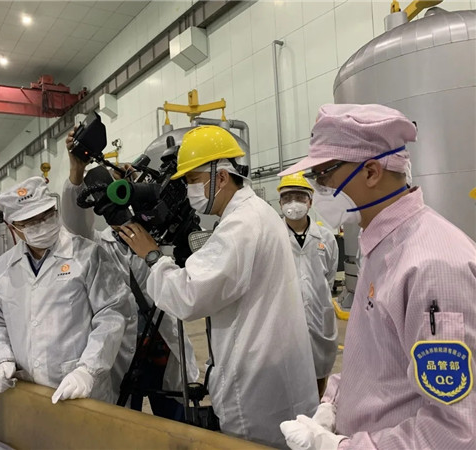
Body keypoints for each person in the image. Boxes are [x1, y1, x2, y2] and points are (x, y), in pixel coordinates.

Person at [279, 104, 476, 449]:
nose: (318, 188)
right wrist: (334, 402)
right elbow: (377, 359)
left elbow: (455, 431)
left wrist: (340, 447)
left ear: (371, 172)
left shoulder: (430, 267)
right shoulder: (380, 244)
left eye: (324, 175)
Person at [120, 125, 318, 447]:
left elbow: (189, 296)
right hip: (273, 377)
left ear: (222, 177)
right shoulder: (254, 213)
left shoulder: (241, 225)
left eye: (193, 180)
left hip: (256, 393)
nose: (189, 191)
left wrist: (153, 257)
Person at [61, 130, 199, 421]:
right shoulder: (97, 244)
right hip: (123, 352)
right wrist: (77, 170)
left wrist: (139, 188)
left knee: (176, 420)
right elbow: (74, 224)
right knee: (125, 421)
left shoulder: (160, 235)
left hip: (162, 347)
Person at [0, 176, 137, 405]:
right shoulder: (3, 268)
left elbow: (112, 315)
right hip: (27, 386)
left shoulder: (88, 255)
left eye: (46, 215)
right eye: (30, 222)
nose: (42, 224)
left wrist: (88, 370)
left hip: (80, 385)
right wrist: (2, 358)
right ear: (13, 227)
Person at [278, 172, 339, 398]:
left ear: (310, 201)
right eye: (287, 197)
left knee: (319, 372)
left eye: (299, 197)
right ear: (280, 203)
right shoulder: (273, 236)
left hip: (319, 318)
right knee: (287, 379)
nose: (293, 203)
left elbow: (329, 276)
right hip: (284, 320)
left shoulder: (326, 237)